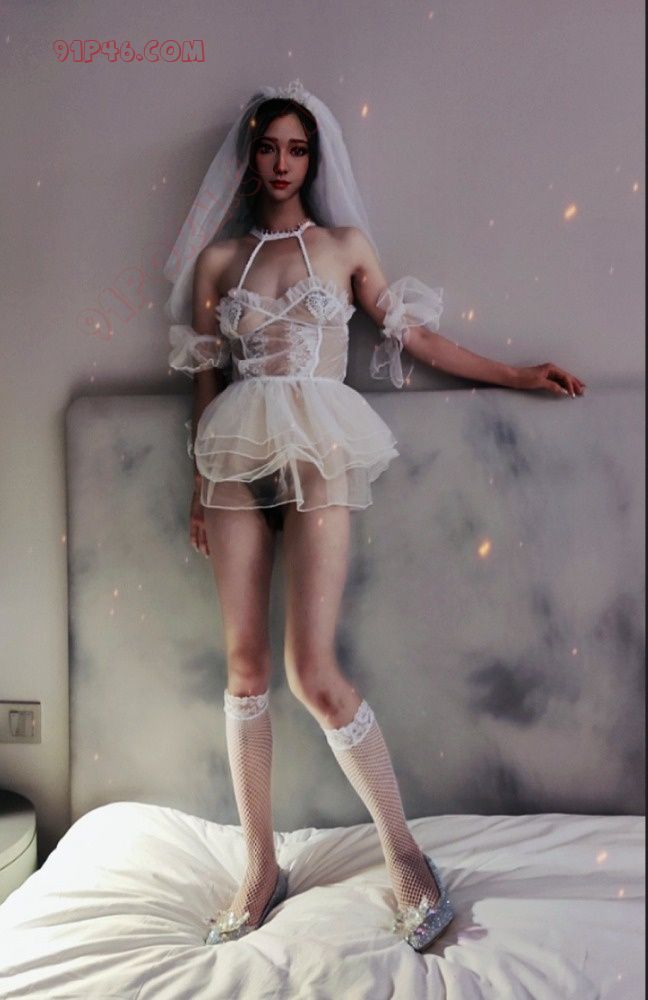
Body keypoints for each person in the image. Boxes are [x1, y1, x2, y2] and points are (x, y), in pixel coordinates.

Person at [164, 80, 586, 953]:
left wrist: (516, 372)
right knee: (244, 666)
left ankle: (405, 855)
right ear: (249, 157)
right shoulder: (218, 261)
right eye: (269, 147)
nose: (282, 163)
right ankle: (259, 866)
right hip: (234, 455)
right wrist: (198, 486)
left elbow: (414, 338)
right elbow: (206, 380)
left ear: (313, 158)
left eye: (297, 149)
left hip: (320, 448)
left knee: (311, 670)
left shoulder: (344, 246)